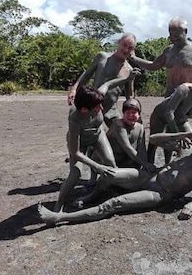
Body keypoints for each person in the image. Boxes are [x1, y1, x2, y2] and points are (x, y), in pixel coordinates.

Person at [38, 124, 192, 225]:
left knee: (113, 204)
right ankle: (91, 196)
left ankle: (60, 218)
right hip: (148, 176)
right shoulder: (187, 146)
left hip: (160, 194)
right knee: (110, 173)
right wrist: (179, 136)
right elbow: (153, 139)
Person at [54, 73, 139, 212]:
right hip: (80, 141)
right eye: (97, 106)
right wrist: (97, 166)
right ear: (84, 109)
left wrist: (127, 78)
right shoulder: (75, 117)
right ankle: (59, 204)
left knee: (110, 165)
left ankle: (98, 192)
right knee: (75, 174)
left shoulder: (95, 96)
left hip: (97, 135)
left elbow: (109, 83)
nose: (101, 108)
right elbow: (75, 152)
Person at [129, 16, 192, 131]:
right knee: (171, 133)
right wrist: (134, 58)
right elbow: (153, 65)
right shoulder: (168, 51)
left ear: (185, 31)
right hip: (172, 97)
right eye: (171, 33)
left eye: (176, 33)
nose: (173, 36)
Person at [68, 33, 137, 127]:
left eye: (130, 48)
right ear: (118, 42)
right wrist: (74, 90)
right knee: (84, 131)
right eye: (124, 45)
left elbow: (129, 96)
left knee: (121, 132)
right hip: (92, 104)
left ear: (133, 50)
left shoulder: (129, 70)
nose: (126, 50)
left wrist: (133, 113)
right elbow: (87, 74)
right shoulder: (102, 57)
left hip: (111, 109)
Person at [106, 98, 156, 172]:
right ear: (123, 113)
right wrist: (145, 164)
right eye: (127, 112)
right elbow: (128, 148)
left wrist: (145, 165)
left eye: (134, 112)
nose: (130, 115)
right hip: (112, 159)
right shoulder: (119, 125)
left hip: (126, 159)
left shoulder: (140, 128)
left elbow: (142, 149)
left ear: (139, 114)